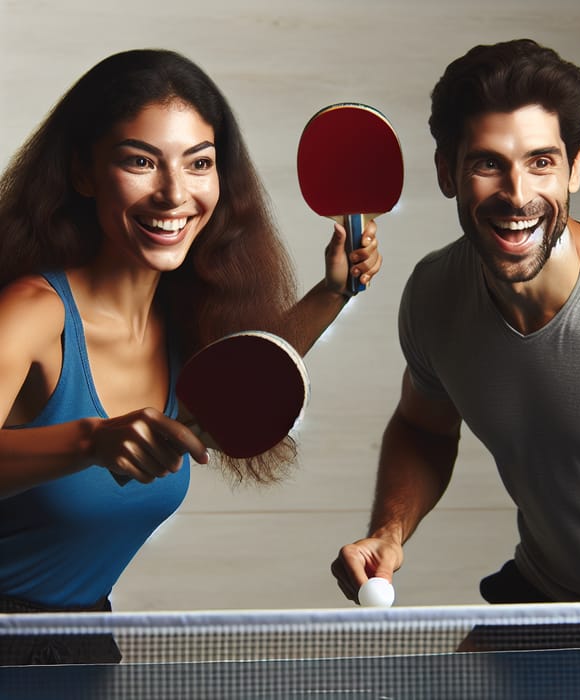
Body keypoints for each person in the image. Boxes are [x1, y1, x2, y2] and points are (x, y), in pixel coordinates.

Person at [0, 48, 382, 664]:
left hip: (82, 638)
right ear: (83, 172)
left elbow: (250, 377)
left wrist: (333, 292)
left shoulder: (181, 323)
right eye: (140, 161)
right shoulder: (32, 312)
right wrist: (90, 441)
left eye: (198, 163)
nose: (174, 193)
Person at [331, 39, 580, 659]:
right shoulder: (433, 297)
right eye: (488, 164)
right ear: (447, 171)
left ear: (574, 168)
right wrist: (390, 531)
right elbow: (423, 428)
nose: (517, 193)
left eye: (541, 162)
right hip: (548, 593)